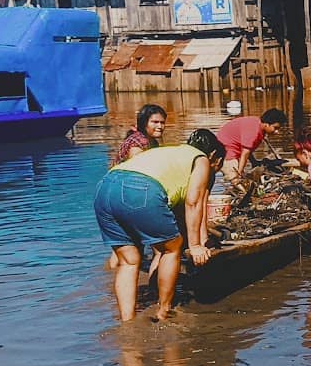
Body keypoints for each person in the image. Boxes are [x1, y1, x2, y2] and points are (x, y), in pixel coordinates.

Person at [93, 129, 223, 321]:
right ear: (213, 155)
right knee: (172, 248)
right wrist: (195, 246)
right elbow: (193, 202)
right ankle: (164, 311)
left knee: (128, 260)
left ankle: (127, 321)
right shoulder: (201, 159)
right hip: (141, 188)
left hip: (105, 188)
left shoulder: (171, 152)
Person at [217, 108, 288, 183]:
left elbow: (248, 148)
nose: (277, 132)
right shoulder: (254, 131)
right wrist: (239, 173)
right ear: (267, 124)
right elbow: (245, 153)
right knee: (236, 181)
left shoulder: (258, 126)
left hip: (234, 151)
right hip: (226, 153)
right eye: (275, 128)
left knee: (244, 180)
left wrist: (254, 162)